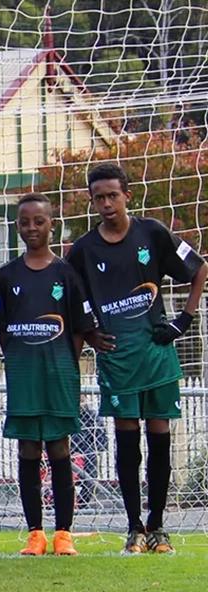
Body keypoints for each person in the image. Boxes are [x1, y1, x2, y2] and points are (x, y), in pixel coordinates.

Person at [66, 162, 208, 554]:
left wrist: (183, 319)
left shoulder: (153, 233)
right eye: (99, 198)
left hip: (156, 353)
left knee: (159, 437)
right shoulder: (82, 250)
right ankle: (134, 528)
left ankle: (159, 526)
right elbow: (70, 300)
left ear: (127, 194)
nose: (107, 203)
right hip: (117, 359)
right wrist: (91, 333)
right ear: (92, 201)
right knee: (127, 443)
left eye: (113, 195)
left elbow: (200, 269)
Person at [0, 194, 95, 556]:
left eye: (39, 221)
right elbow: (0, 327)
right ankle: (35, 532)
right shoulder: (6, 276)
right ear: (17, 226)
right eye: (24, 222)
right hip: (24, 373)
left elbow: (80, 327)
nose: (31, 228)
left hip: (59, 372)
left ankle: (63, 532)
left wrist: (65, 359)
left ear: (53, 224)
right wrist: (19, 355)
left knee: (59, 447)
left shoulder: (67, 274)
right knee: (28, 448)